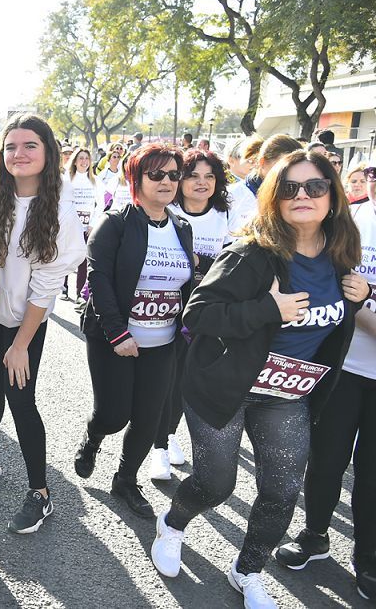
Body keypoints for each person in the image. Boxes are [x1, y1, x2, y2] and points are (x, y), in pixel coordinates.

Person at [150, 151, 366, 609]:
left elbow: (328, 322)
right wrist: (268, 309)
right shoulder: (253, 252)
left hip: (287, 396)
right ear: (274, 197)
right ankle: (172, 524)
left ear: (333, 194)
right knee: (215, 484)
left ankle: (246, 570)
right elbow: (199, 313)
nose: (302, 196)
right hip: (226, 387)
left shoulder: (341, 256)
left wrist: (363, 294)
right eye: (290, 187)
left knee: (282, 491)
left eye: (315, 186)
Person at [0, 114, 84, 533]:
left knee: (21, 399)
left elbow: (45, 290)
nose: (19, 154)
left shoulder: (60, 210)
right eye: (10, 146)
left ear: (48, 152)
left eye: (30, 145)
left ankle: (40, 493)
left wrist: (21, 344)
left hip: (26, 322)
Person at [273, 160, 376, 601]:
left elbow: (354, 297)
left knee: (372, 474)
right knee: (326, 460)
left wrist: (365, 304)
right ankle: (314, 535)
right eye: (372, 172)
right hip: (344, 367)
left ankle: (368, 559)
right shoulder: (353, 220)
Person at [74, 143, 195, 519]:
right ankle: (93, 438)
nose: (166, 182)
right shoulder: (115, 223)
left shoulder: (181, 227)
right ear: (136, 178)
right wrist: (117, 334)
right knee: (114, 415)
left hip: (162, 343)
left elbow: (187, 285)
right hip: (115, 340)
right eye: (156, 174)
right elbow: (99, 279)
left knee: (148, 418)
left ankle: (125, 480)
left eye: (173, 175)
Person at [148, 149, 232, 481]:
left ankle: (167, 437)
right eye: (193, 175)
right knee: (163, 378)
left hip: (206, 312)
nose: (201, 183)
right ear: (179, 180)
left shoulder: (227, 215)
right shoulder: (165, 212)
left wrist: (199, 263)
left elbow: (233, 265)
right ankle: (157, 447)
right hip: (163, 307)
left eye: (209, 177)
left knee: (185, 380)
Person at [228, 135, 297, 233]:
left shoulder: (299, 197)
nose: (290, 172)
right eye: (283, 166)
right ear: (262, 162)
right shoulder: (231, 196)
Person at [61, 147, 98, 303]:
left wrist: (92, 224)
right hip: (69, 225)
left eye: (86, 158)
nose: (84, 161)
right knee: (65, 257)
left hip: (86, 227)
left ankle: (79, 293)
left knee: (83, 260)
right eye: (81, 158)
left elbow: (100, 205)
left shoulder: (95, 181)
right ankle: (63, 288)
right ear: (75, 161)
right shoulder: (67, 179)